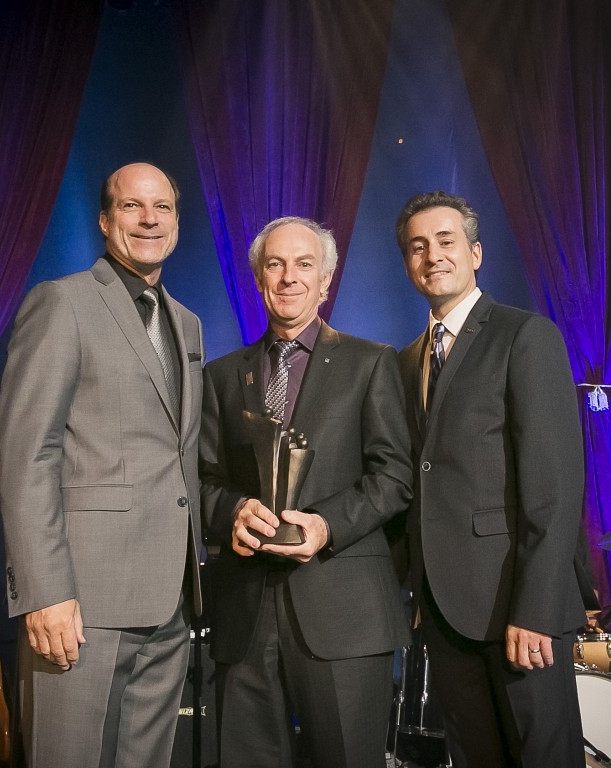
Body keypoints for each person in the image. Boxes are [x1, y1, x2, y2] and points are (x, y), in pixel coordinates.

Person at [0, 162, 204, 767]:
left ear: (176, 221)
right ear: (105, 219)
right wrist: (44, 591)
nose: (149, 219)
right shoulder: (61, 303)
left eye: (162, 208)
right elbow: (26, 452)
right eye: (133, 206)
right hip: (80, 604)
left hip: (169, 603)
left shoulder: (186, 321)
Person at [200, 216, 412, 768]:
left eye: (304, 264)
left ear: (325, 282)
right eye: (275, 264)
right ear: (259, 278)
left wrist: (325, 526)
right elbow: (200, 481)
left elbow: (394, 477)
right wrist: (233, 511)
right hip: (243, 616)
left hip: (345, 615)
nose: (289, 276)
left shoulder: (371, 363)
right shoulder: (222, 376)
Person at [395, 191, 586, 767]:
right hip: (444, 613)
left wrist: (537, 608)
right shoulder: (407, 361)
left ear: (476, 253)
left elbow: (554, 489)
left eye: (446, 241)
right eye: (417, 247)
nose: (433, 256)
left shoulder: (525, 336)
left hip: (516, 610)